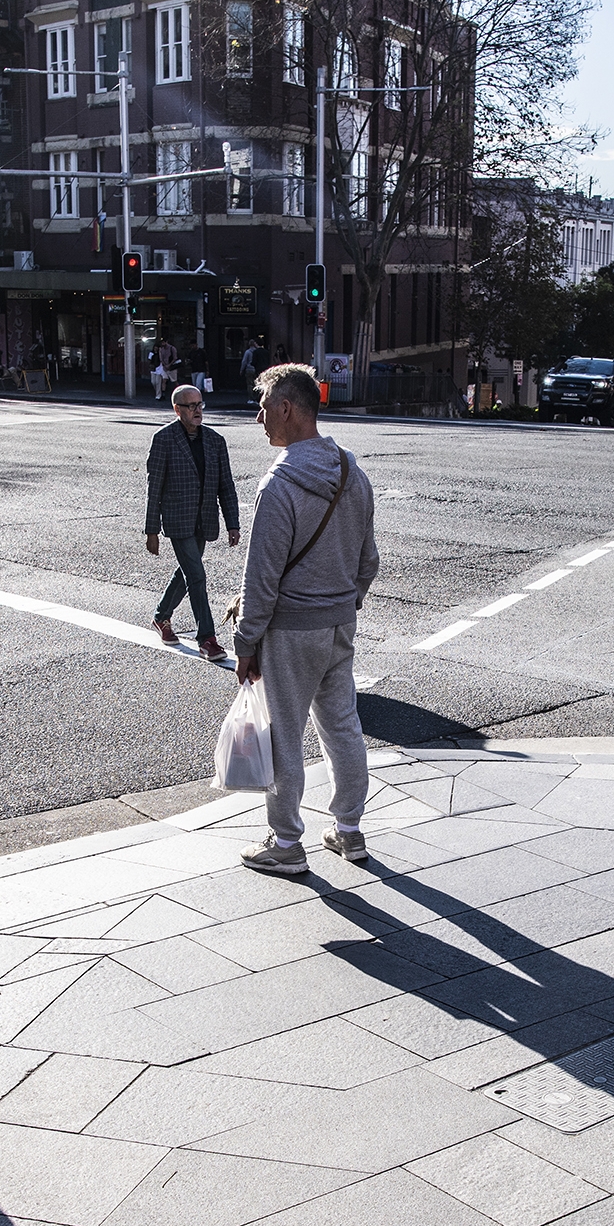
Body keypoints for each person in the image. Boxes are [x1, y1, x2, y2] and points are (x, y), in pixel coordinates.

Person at [233, 362, 379, 873]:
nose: (259, 417)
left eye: (264, 406)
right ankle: (349, 831)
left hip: (291, 630)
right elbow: (369, 562)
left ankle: (287, 842)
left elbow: (262, 576)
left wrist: (245, 641)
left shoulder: (279, 485)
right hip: (339, 623)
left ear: (288, 408)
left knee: (284, 735)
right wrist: (343, 601)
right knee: (342, 726)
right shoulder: (351, 474)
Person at [145, 384, 241, 659]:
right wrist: (152, 530)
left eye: (200, 405)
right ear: (177, 410)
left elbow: (226, 486)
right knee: (197, 575)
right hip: (177, 519)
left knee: (187, 570)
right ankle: (207, 639)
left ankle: (161, 616)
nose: (198, 411)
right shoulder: (164, 439)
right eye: (191, 406)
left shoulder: (215, 440)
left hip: (204, 520)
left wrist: (232, 523)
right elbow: (155, 487)